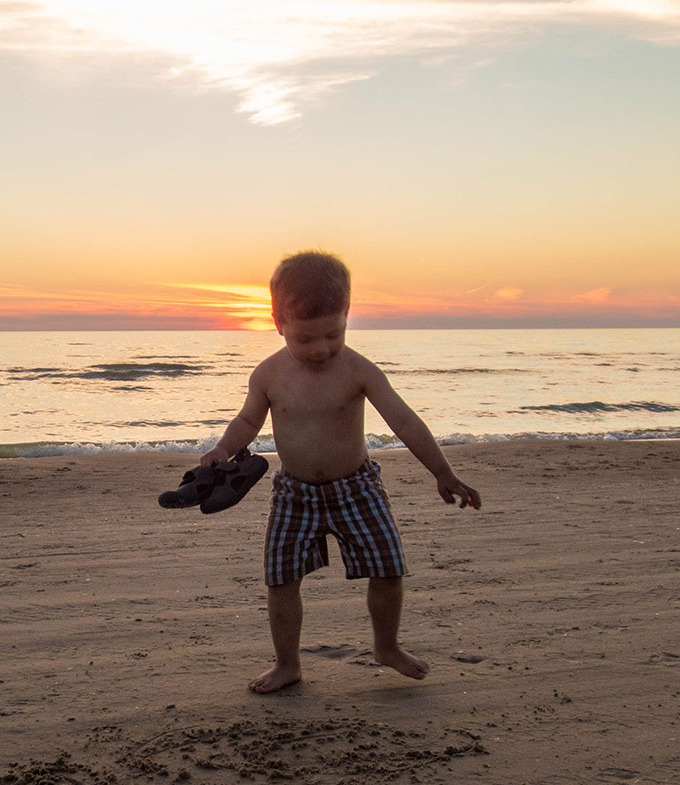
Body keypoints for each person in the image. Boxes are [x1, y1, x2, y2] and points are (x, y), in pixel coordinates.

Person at [200, 250, 481, 694]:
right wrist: (222, 447)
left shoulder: (358, 371)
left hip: (357, 489)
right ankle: (287, 664)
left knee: (388, 567)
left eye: (334, 333)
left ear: (348, 315)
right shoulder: (269, 374)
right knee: (281, 579)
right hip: (295, 495)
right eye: (305, 339)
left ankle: (386, 646)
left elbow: (403, 421)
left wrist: (443, 473)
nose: (321, 349)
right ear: (278, 324)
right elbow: (247, 422)